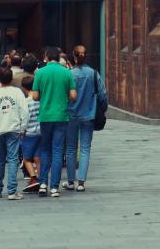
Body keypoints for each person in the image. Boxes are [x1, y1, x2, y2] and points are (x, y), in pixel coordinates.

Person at [31, 46, 76, 197]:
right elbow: (73, 95)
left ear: (46, 57)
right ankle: (55, 187)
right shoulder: (66, 72)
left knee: (45, 149)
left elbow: (35, 96)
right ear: (58, 57)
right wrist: (64, 99)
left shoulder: (40, 73)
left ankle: (43, 183)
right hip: (61, 115)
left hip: (45, 116)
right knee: (57, 151)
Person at [64, 45, 107, 192]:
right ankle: (81, 182)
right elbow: (102, 94)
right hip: (89, 114)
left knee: (70, 148)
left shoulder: (69, 74)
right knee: (85, 148)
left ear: (74, 57)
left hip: (71, 115)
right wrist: (103, 108)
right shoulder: (94, 74)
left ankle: (70, 181)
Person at [0, 64, 28, 199]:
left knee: (0, 159)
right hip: (14, 128)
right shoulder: (17, 92)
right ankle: (12, 190)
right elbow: (24, 111)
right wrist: (23, 127)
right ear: (11, 78)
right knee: (13, 159)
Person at [20, 75, 41, 192]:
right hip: (41, 132)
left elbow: (25, 118)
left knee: (26, 158)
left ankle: (33, 178)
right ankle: (42, 178)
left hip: (29, 133)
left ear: (24, 88)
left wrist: (22, 131)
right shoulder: (40, 100)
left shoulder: (26, 102)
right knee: (38, 157)